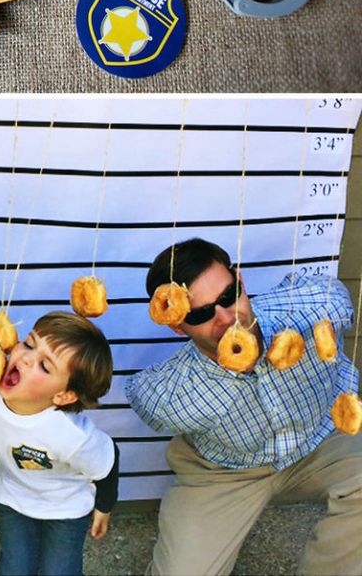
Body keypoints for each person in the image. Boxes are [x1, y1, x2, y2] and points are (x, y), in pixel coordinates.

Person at [126, 237, 362, 576]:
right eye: (201, 313)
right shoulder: (174, 392)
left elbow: (337, 298)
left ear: (241, 283)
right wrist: (230, 368)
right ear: (178, 326)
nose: (224, 318)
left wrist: (282, 335)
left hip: (321, 439)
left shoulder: (305, 314)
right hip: (225, 471)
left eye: (227, 296)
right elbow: (143, 397)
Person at [0, 310, 119, 576]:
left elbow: (107, 461)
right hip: (15, 497)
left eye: (44, 366)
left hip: (67, 506)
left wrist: (104, 506)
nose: (24, 358)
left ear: (64, 395)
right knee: (14, 566)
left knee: (59, 570)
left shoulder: (72, 436)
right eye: (29, 344)